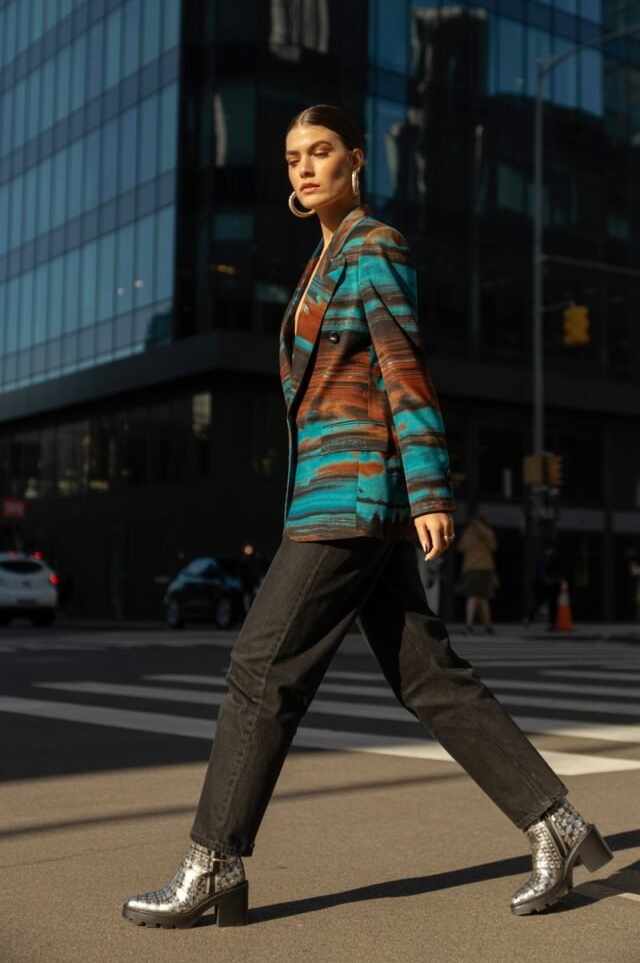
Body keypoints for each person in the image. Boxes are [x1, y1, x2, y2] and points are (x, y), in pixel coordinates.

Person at [122, 105, 612, 930]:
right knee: (428, 676)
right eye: (291, 159)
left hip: (352, 496)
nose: (303, 169)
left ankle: (213, 863)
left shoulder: (375, 247)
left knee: (259, 667)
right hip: (332, 494)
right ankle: (556, 825)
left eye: (320, 154)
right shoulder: (321, 261)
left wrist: (428, 489)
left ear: (355, 161)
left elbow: (403, 373)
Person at [454, 512, 499, 634]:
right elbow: (493, 546)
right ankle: (486, 625)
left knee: (474, 596)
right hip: (485, 567)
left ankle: (470, 624)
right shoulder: (487, 531)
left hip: (471, 567)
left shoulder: (468, 532)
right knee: (481, 597)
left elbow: (461, 548)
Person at [524, 541, 561, 629]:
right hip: (546, 585)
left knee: (540, 603)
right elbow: (542, 573)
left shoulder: (544, 558)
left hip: (544, 584)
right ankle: (551, 623)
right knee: (546, 603)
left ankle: (529, 618)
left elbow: (540, 572)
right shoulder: (549, 559)